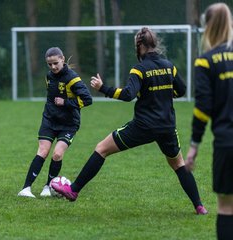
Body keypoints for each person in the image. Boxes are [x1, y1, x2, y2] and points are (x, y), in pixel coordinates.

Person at [52, 27, 208, 215]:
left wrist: (103, 88)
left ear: (140, 46)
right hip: (167, 126)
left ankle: (74, 190)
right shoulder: (169, 65)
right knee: (179, 164)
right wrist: (162, 96)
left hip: (143, 126)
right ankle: (199, 206)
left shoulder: (139, 69)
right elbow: (181, 90)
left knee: (101, 149)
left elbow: (128, 94)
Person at [185, 3, 233, 239]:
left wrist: (194, 145)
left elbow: (203, 108)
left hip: (227, 144)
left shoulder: (205, 61)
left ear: (208, 27)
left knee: (226, 208)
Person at [18, 47, 93, 198]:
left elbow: (87, 99)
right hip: (50, 119)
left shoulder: (73, 79)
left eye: (55, 63)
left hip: (69, 123)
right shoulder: (49, 76)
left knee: (57, 154)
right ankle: (26, 189)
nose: (53, 67)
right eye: (49, 64)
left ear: (63, 59)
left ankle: (48, 187)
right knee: (43, 151)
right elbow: (51, 97)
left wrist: (65, 102)